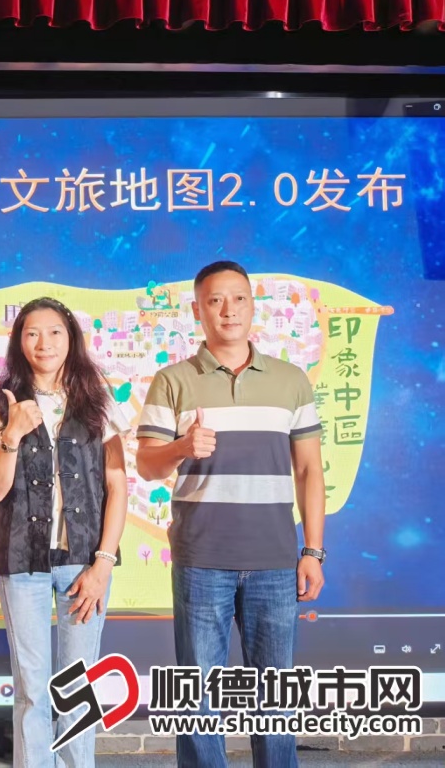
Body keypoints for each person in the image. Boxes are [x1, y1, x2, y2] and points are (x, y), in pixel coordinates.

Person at [136, 261, 326, 768]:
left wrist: (312, 551)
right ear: (197, 309)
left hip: (275, 560)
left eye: (239, 298)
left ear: (252, 304)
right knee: (197, 696)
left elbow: (310, 471)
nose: (229, 310)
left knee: (275, 698)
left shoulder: (291, 381)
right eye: (215, 300)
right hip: (201, 559)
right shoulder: (172, 380)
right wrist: (181, 446)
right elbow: (147, 465)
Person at [0, 296, 129, 768]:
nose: (44, 343)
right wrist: (12, 434)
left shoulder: (97, 400)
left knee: (79, 686)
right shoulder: (1, 402)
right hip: (23, 562)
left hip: (85, 563)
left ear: (71, 339)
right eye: (32, 333)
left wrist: (103, 564)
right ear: (19, 342)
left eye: (55, 332)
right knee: (33, 688)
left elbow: (118, 486)